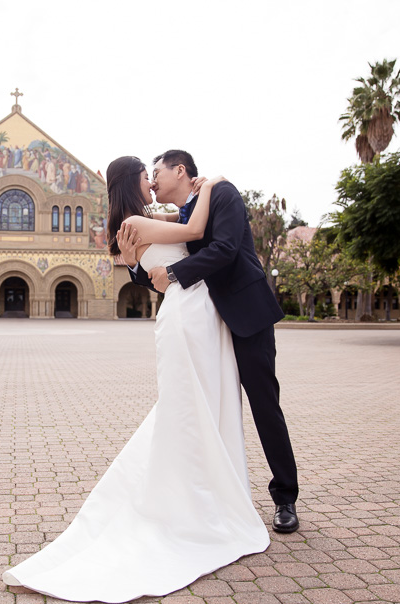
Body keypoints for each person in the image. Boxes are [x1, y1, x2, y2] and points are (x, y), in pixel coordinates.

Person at [2, 156, 270, 603]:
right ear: (133, 181)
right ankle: (197, 501)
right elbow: (193, 231)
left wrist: (139, 261)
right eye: (147, 175)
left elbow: (179, 232)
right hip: (188, 317)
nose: (152, 181)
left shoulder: (140, 222)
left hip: (195, 313)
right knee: (191, 407)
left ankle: (207, 493)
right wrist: (211, 184)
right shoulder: (134, 223)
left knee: (201, 404)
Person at [119, 149, 299, 535]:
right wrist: (134, 262)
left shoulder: (221, 194)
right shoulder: (181, 215)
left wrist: (174, 272)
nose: (153, 181)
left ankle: (285, 497)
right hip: (204, 326)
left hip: (245, 317)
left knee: (264, 406)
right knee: (207, 408)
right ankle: (212, 494)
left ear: (180, 170)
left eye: (157, 172)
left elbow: (226, 249)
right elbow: (154, 265)